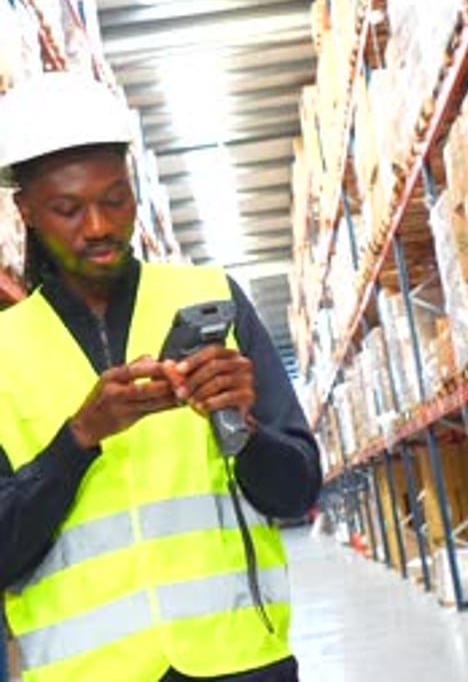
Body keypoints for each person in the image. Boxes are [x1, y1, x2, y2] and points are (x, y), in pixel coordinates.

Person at [0, 72, 322, 682]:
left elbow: (299, 491)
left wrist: (245, 429)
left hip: (240, 661)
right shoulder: (4, 351)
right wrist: (77, 442)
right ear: (26, 212)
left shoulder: (211, 298)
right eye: (68, 209)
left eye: (115, 199)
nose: (98, 226)